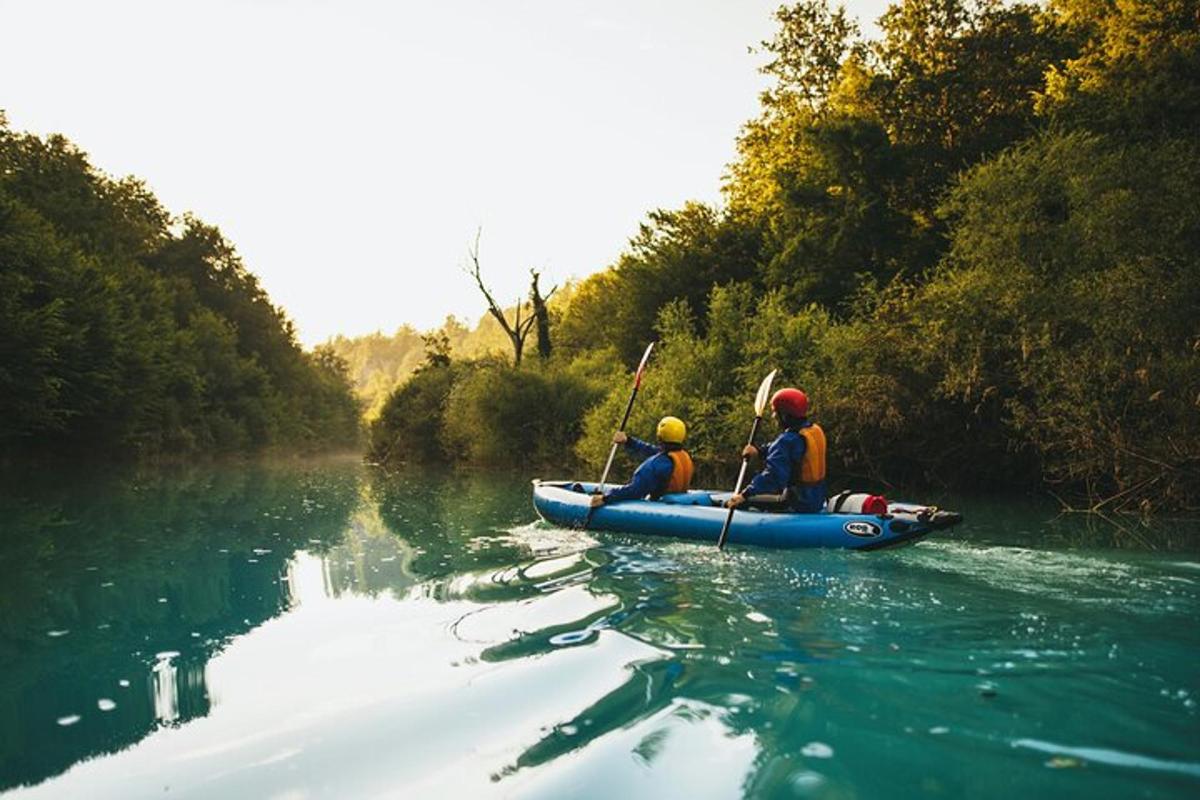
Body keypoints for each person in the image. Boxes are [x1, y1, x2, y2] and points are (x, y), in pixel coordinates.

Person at [725, 387, 826, 513]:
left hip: (796, 503)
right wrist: (759, 451)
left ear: (784, 416)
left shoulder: (786, 441)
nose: (773, 416)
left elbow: (773, 477)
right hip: (817, 499)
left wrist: (744, 495)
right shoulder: (813, 430)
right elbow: (786, 449)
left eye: (775, 412)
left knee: (741, 502)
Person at [589, 416, 694, 507]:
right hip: (678, 503)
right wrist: (628, 440)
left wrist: (606, 497)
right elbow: (651, 450)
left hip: (660, 508)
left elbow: (635, 491)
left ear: (659, 436)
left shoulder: (655, 465)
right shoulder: (681, 456)